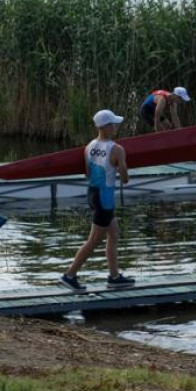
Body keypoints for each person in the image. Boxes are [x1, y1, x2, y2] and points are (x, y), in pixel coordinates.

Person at [60, 110, 134, 292]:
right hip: (105, 198)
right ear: (106, 127)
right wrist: (121, 165)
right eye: (114, 124)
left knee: (114, 233)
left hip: (92, 194)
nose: (116, 127)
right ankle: (69, 275)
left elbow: (87, 173)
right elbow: (125, 179)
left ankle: (114, 277)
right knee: (93, 240)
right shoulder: (117, 149)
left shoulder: (89, 146)